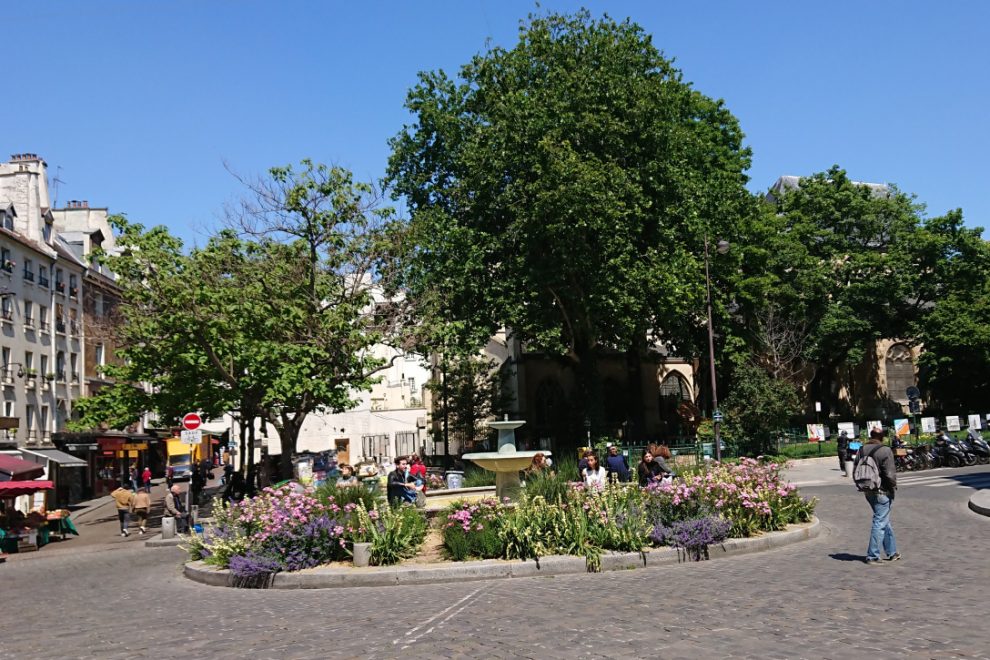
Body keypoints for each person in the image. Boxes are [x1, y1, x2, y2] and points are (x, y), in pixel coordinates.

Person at [855, 427, 899, 564]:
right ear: (882, 437)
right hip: (882, 490)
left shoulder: (861, 449)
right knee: (880, 522)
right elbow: (889, 474)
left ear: (871, 435)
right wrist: (893, 487)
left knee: (883, 520)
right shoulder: (885, 450)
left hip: (868, 490)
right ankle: (872, 555)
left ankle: (892, 552)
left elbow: (856, 469)